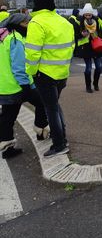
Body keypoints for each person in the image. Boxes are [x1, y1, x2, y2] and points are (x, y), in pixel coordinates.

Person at [25, 0, 74, 157]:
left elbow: (32, 53)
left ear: (36, 1)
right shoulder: (65, 22)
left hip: (44, 74)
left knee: (51, 109)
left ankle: (59, 144)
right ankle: (62, 137)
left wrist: (31, 72)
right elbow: (70, 48)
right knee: (54, 106)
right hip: (62, 73)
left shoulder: (37, 23)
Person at [0, 13, 50, 158]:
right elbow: (19, 66)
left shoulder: (4, 37)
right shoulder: (15, 39)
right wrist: (26, 86)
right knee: (41, 102)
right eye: (27, 23)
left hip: (5, 85)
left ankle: (7, 147)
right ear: (19, 24)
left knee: (8, 117)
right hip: (17, 85)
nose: (29, 26)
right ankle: (40, 130)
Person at [76, 3, 102, 93]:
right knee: (88, 68)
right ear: (84, 14)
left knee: (99, 67)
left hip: (96, 47)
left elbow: (100, 33)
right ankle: (88, 86)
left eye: (89, 14)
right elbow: (75, 35)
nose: (88, 16)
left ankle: (96, 84)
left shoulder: (96, 21)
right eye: (86, 14)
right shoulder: (80, 22)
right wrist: (82, 34)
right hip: (86, 48)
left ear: (92, 14)